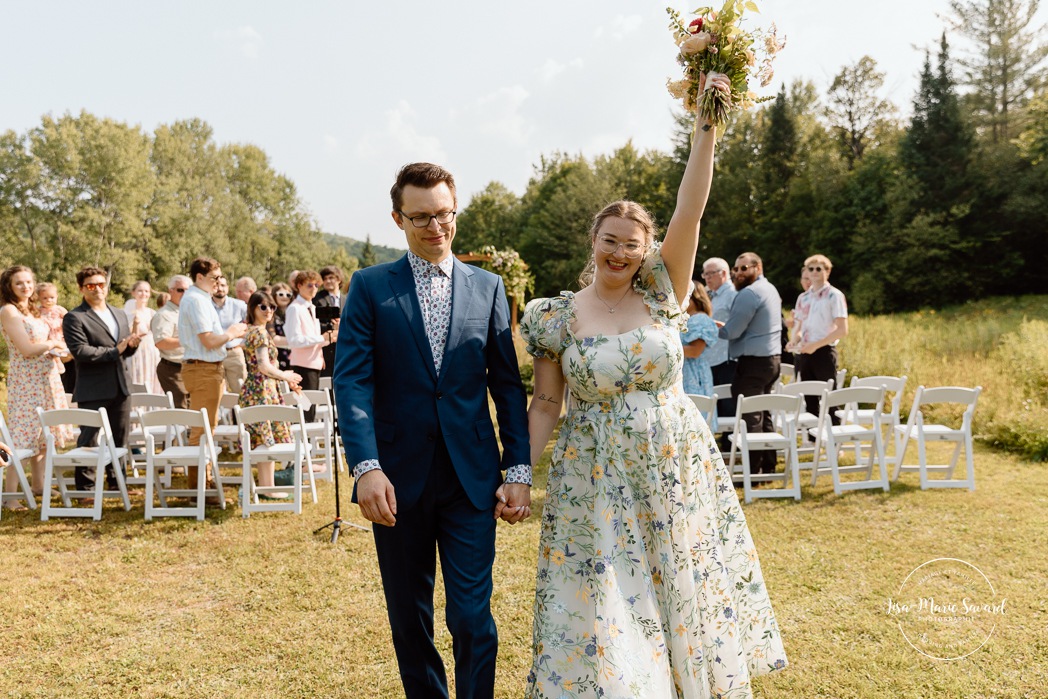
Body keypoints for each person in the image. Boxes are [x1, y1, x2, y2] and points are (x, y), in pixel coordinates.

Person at [521, 73, 786, 698]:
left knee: (675, 585)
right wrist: (517, 474)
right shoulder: (556, 316)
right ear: (593, 242)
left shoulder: (663, 290)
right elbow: (547, 402)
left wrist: (706, 122)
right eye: (609, 241)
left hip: (672, 462)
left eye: (631, 245)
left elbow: (689, 206)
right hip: (595, 473)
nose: (618, 253)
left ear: (645, 252)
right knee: (606, 593)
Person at [333, 162, 531, 699]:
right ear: (398, 218)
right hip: (395, 479)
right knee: (408, 618)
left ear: (455, 212)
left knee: (472, 617)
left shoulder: (489, 288)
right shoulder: (370, 287)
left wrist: (518, 469)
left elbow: (507, 387)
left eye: (443, 214)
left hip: (472, 478)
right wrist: (366, 467)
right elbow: (351, 381)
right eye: (421, 216)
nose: (435, 226)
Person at [63, 266, 143, 496]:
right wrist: (114, 351)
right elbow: (80, 351)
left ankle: (118, 483)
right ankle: (85, 490)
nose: (97, 289)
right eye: (91, 285)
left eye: (101, 284)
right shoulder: (74, 317)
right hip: (92, 387)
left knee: (120, 439)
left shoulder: (119, 313)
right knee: (89, 439)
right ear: (81, 289)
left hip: (121, 384)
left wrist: (131, 347)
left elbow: (123, 351)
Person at [0, 266, 72, 509]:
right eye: (19, 283)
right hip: (26, 380)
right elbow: (27, 349)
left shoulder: (32, 309)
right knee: (21, 435)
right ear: (8, 286)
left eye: (29, 282)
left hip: (46, 376)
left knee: (42, 434)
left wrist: (61, 349)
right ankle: (10, 496)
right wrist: (52, 343)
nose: (25, 287)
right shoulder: (8, 311)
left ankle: (38, 485)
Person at [179, 257, 246, 497]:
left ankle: (203, 484)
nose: (218, 282)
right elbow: (208, 340)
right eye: (214, 278)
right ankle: (198, 490)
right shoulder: (196, 300)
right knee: (202, 430)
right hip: (203, 368)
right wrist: (232, 332)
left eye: (219, 277)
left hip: (208, 368)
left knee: (208, 427)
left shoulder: (200, 298)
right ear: (199, 277)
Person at [718, 252, 783, 477]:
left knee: (750, 417)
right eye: (736, 269)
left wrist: (711, 327)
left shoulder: (750, 293)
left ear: (758, 267)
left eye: (744, 268)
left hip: (753, 363)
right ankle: (768, 466)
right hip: (772, 360)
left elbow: (733, 330)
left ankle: (753, 473)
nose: (739, 273)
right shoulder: (770, 289)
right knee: (764, 414)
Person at [239, 291, 301, 495]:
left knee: (264, 438)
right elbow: (264, 366)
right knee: (265, 437)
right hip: (261, 389)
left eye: (272, 307)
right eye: (263, 307)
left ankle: (267, 486)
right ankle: (267, 487)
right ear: (253, 308)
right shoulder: (259, 333)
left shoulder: (252, 331)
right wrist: (286, 376)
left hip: (260, 388)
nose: (269, 311)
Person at [790, 254, 849, 421]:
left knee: (830, 399)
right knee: (810, 401)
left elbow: (842, 330)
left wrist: (815, 345)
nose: (814, 272)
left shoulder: (834, 295)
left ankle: (835, 443)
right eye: (811, 269)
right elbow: (800, 328)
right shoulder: (803, 297)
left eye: (818, 269)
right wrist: (795, 341)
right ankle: (813, 441)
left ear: (827, 271)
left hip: (824, 351)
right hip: (805, 352)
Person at [285, 270, 333, 419]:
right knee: (304, 410)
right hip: (302, 365)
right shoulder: (294, 308)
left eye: (317, 285)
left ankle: (310, 440)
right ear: (299, 286)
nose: (314, 288)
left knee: (311, 409)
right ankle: (304, 441)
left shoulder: (312, 307)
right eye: (310, 285)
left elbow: (314, 338)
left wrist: (329, 338)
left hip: (314, 364)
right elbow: (294, 340)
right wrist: (321, 338)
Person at [701, 256, 737, 419]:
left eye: (711, 273)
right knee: (714, 404)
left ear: (723, 273)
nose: (707, 277)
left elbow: (738, 323)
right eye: (705, 274)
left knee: (728, 405)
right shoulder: (709, 295)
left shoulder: (733, 294)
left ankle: (730, 441)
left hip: (726, 358)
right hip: (711, 356)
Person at [152, 275, 191, 409]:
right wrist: (187, 339)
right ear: (171, 291)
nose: (185, 293)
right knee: (183, 413)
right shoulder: (164, 315)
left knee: (196, 411)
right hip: (173, 369)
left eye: (188, 290)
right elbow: (161, 342)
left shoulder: (189, 311)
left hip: (191, 367)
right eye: (180, 290)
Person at [35, 281, 75, 393]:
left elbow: (71, 323)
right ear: (39, 298)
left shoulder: (59, 310)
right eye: (45, 298)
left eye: (52, 297)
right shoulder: (38, 311)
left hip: (60, 339)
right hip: (47, 341)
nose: (49, 300)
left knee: (63, 357)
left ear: (56, 297)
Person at [681, 283, 719, 399]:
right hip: (686, 371)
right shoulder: (687, 319)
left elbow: (695, 351)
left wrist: (666, 349)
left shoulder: (699, 319)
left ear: (695, 297)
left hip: (694, 374)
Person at [211, 275, 248, 394]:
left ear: (227, 287)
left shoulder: (239, 305)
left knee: (240, 391)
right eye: (216, 285)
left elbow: (251, 325)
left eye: (223, 285)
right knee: (215, 393)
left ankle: (240, 414)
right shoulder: (205, 306)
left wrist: (241, 341)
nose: (220, 288)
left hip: (234, 353)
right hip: (213, 354)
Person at [123, 280, 162, 393]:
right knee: (137, 377)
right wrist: (135, 324)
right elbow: (128, 334)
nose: (143, 294)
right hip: (136, 352)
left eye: (146, 291)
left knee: (152, 379)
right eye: (140, 291)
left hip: (151, 352)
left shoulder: (152, 313)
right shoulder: (127, 312)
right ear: (133, 293)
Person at [313, 265, 344, 378]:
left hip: (344, 350)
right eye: (325, 279)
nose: (328, 281)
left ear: (339, 279)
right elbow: (314, 324)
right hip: (324, 350)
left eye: (331, 277)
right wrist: (332, 326)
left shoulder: (348, 299)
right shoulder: (317, 299)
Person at [269, 282, 294, 371]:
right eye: (281, 294)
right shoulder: (270, 314)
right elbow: (273, 339)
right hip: (278, 357)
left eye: (288, 294)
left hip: (295, 357)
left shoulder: (294, 313)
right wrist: (297, 341)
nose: (285, 297)